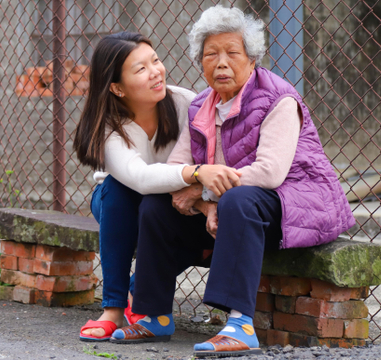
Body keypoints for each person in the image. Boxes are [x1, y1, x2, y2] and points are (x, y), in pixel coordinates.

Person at [110, 6, 355, 357]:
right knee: (157, 204)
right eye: (211, 54)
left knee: (238, 201)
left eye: (232, 53)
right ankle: (153, 315)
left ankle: (240, 325)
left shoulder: (279, 99)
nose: (221, 63)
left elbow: (270, 173)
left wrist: (207, 192)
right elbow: (178, 168)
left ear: (251, 59)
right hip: (234, 208)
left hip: (295, 205)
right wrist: (207, 203)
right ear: (200, 62)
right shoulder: (200, 107)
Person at [73, 31, 241, 341]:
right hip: (120, 205)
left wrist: (202, 199)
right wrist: (196, 173)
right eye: (141, 69)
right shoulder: (108, 125)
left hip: (176, 203)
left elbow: (216, 158)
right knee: (117, 191)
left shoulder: (186, 103)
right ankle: (113, 306)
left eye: (156, 61)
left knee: (169, 214)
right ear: (116, 88)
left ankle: (139, 294)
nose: (156, 72)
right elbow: (140, 178)